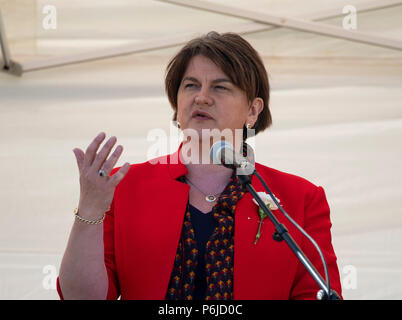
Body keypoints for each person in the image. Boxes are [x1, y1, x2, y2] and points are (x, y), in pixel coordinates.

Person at [57, 31, 342, 300]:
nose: (201, 97)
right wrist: (89, 210)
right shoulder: (125, 186)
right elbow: (81, 297)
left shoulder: (301, 198)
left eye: (220, 87)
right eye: (191, 85)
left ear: (253, 111)